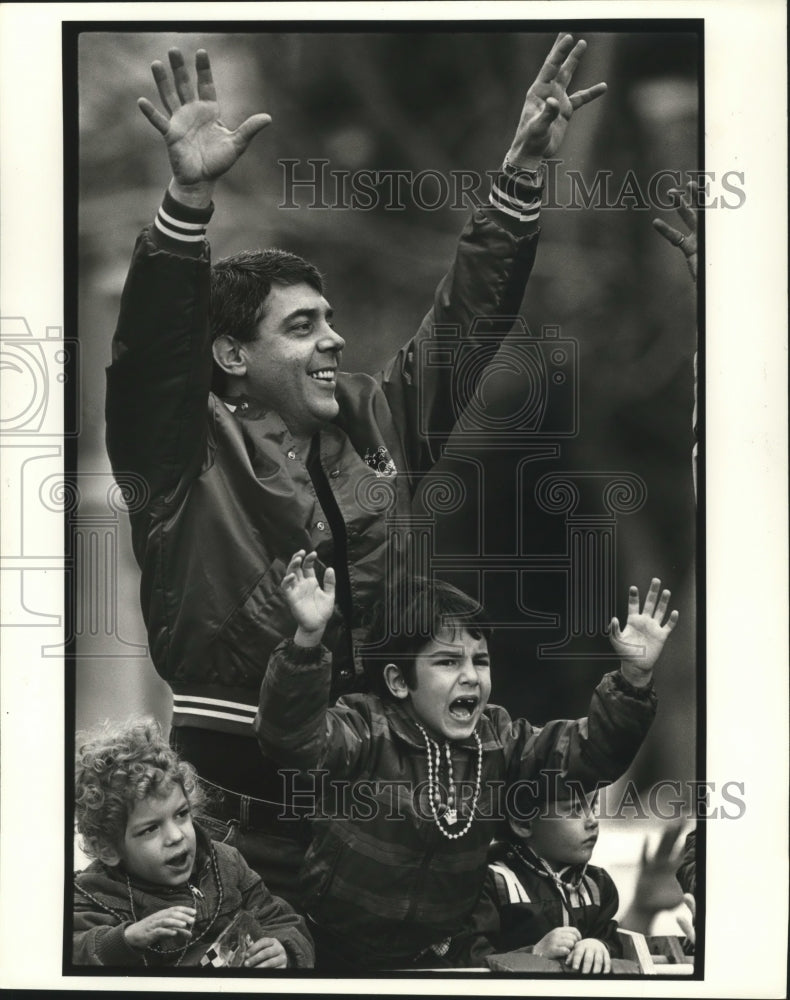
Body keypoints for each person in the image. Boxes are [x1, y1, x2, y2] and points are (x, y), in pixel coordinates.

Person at [105, 35, 608, 901]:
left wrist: (520, 180)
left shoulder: (377, 419)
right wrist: (188, 199)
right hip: (231, 816)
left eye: (330, 320)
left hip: (379, 806)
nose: (334, 337)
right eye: (301, 327)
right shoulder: (179, 444)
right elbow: (150, 354)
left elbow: (464, 328)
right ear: (230, 355)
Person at [254, 549, 678, 971]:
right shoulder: (365, 729)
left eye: (481, 660)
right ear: (400, 681)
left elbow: (588, 755)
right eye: (448, 661)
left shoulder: (499, 742)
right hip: (333, 950)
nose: (471, 675)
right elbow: (293, 740)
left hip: (441, 961)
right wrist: (308, 640)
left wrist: (633, 678)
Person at [72, 718, 314, 968]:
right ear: (107, 849)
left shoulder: (225, 863)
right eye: (151, 828)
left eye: (181, 814)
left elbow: (281, 919)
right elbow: (71, 952)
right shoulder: (95, 893)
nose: (176, 836)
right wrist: (126, 939)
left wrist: (284, 951)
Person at [483, 783, 621, 973]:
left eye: (594, 805)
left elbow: (614, 941)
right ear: (523, 822)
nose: (593, 821)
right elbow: (469, 959)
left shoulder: (597, 884)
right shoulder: (494, 883)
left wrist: (599, 946)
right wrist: (533, 953)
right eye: (575, 809)